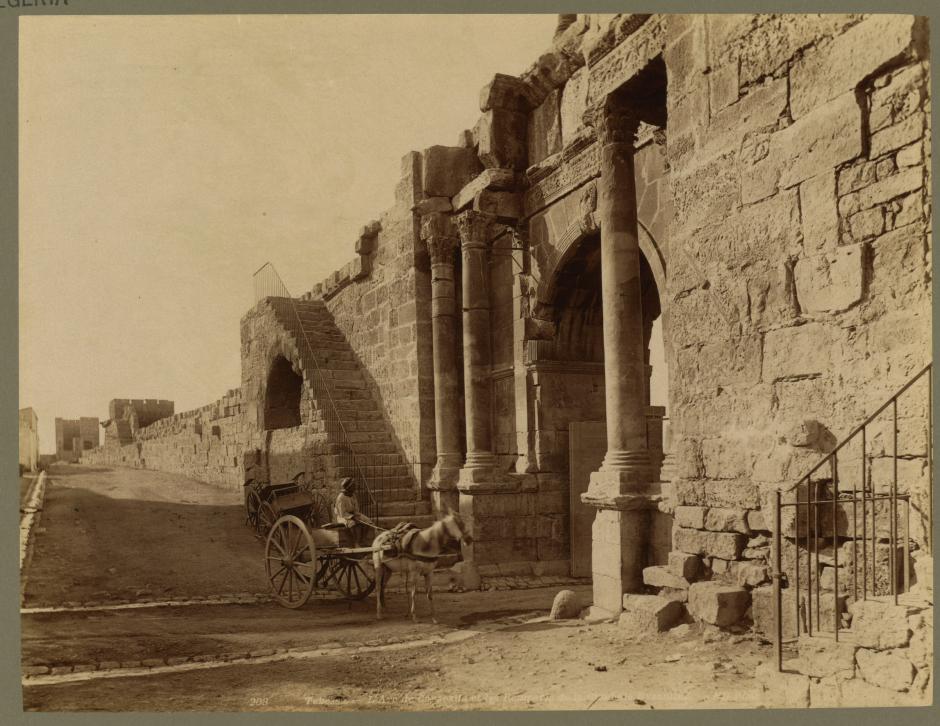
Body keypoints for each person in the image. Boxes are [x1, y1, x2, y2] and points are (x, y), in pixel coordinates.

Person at [334, 477, 373, 546]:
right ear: (348, 487)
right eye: (353, 486)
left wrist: (356, 515)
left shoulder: (353, 495)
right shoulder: (341, 497)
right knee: (352, 523)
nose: (355, 487)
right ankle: (355, 542)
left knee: (368, 521)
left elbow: (356, 508)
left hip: (353, 514)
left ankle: (362, 540)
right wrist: (352, 517)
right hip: (343, 517)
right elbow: (342, 513)